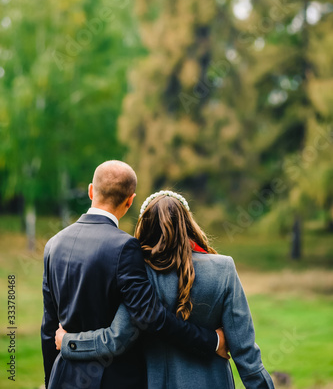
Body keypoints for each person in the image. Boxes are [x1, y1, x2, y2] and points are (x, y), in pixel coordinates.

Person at [55, 189, 275, 389]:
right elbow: (247, 357)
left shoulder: (139, 274)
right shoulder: (223, 269)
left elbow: (115, 339)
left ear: (145, 225)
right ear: (188, 223)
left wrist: (69, 342)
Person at [41, 161, 227, 389]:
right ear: (130, 200)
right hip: (113, 379)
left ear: (91, 190)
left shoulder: (53, 244)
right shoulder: (125, 247)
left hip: (63, 375)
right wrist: (211, 340)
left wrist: (51, 377)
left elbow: (49, 326)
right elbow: (151, 317)